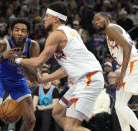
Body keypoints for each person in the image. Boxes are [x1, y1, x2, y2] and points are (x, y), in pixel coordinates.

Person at [13, 2, 104, 131]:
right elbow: (67, 68)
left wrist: (17, 59)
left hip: (89, 79)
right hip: (85, 80)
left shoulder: (56, 34)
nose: (44, 18)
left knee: (72, 126)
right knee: (57, 112)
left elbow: (39, 61)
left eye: (46, 16)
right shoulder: (72, 32)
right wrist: (45, 79)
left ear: (55, 18)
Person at [93, 12, 138, 131]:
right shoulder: (110, 31)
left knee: (120, 105)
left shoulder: (110, 28)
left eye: (99, 19)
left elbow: (127, 48)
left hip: (132, 65)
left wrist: (122, 74)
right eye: (94, 21)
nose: (96, 22)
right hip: (129, 65)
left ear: (107, 18)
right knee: (119, 107)